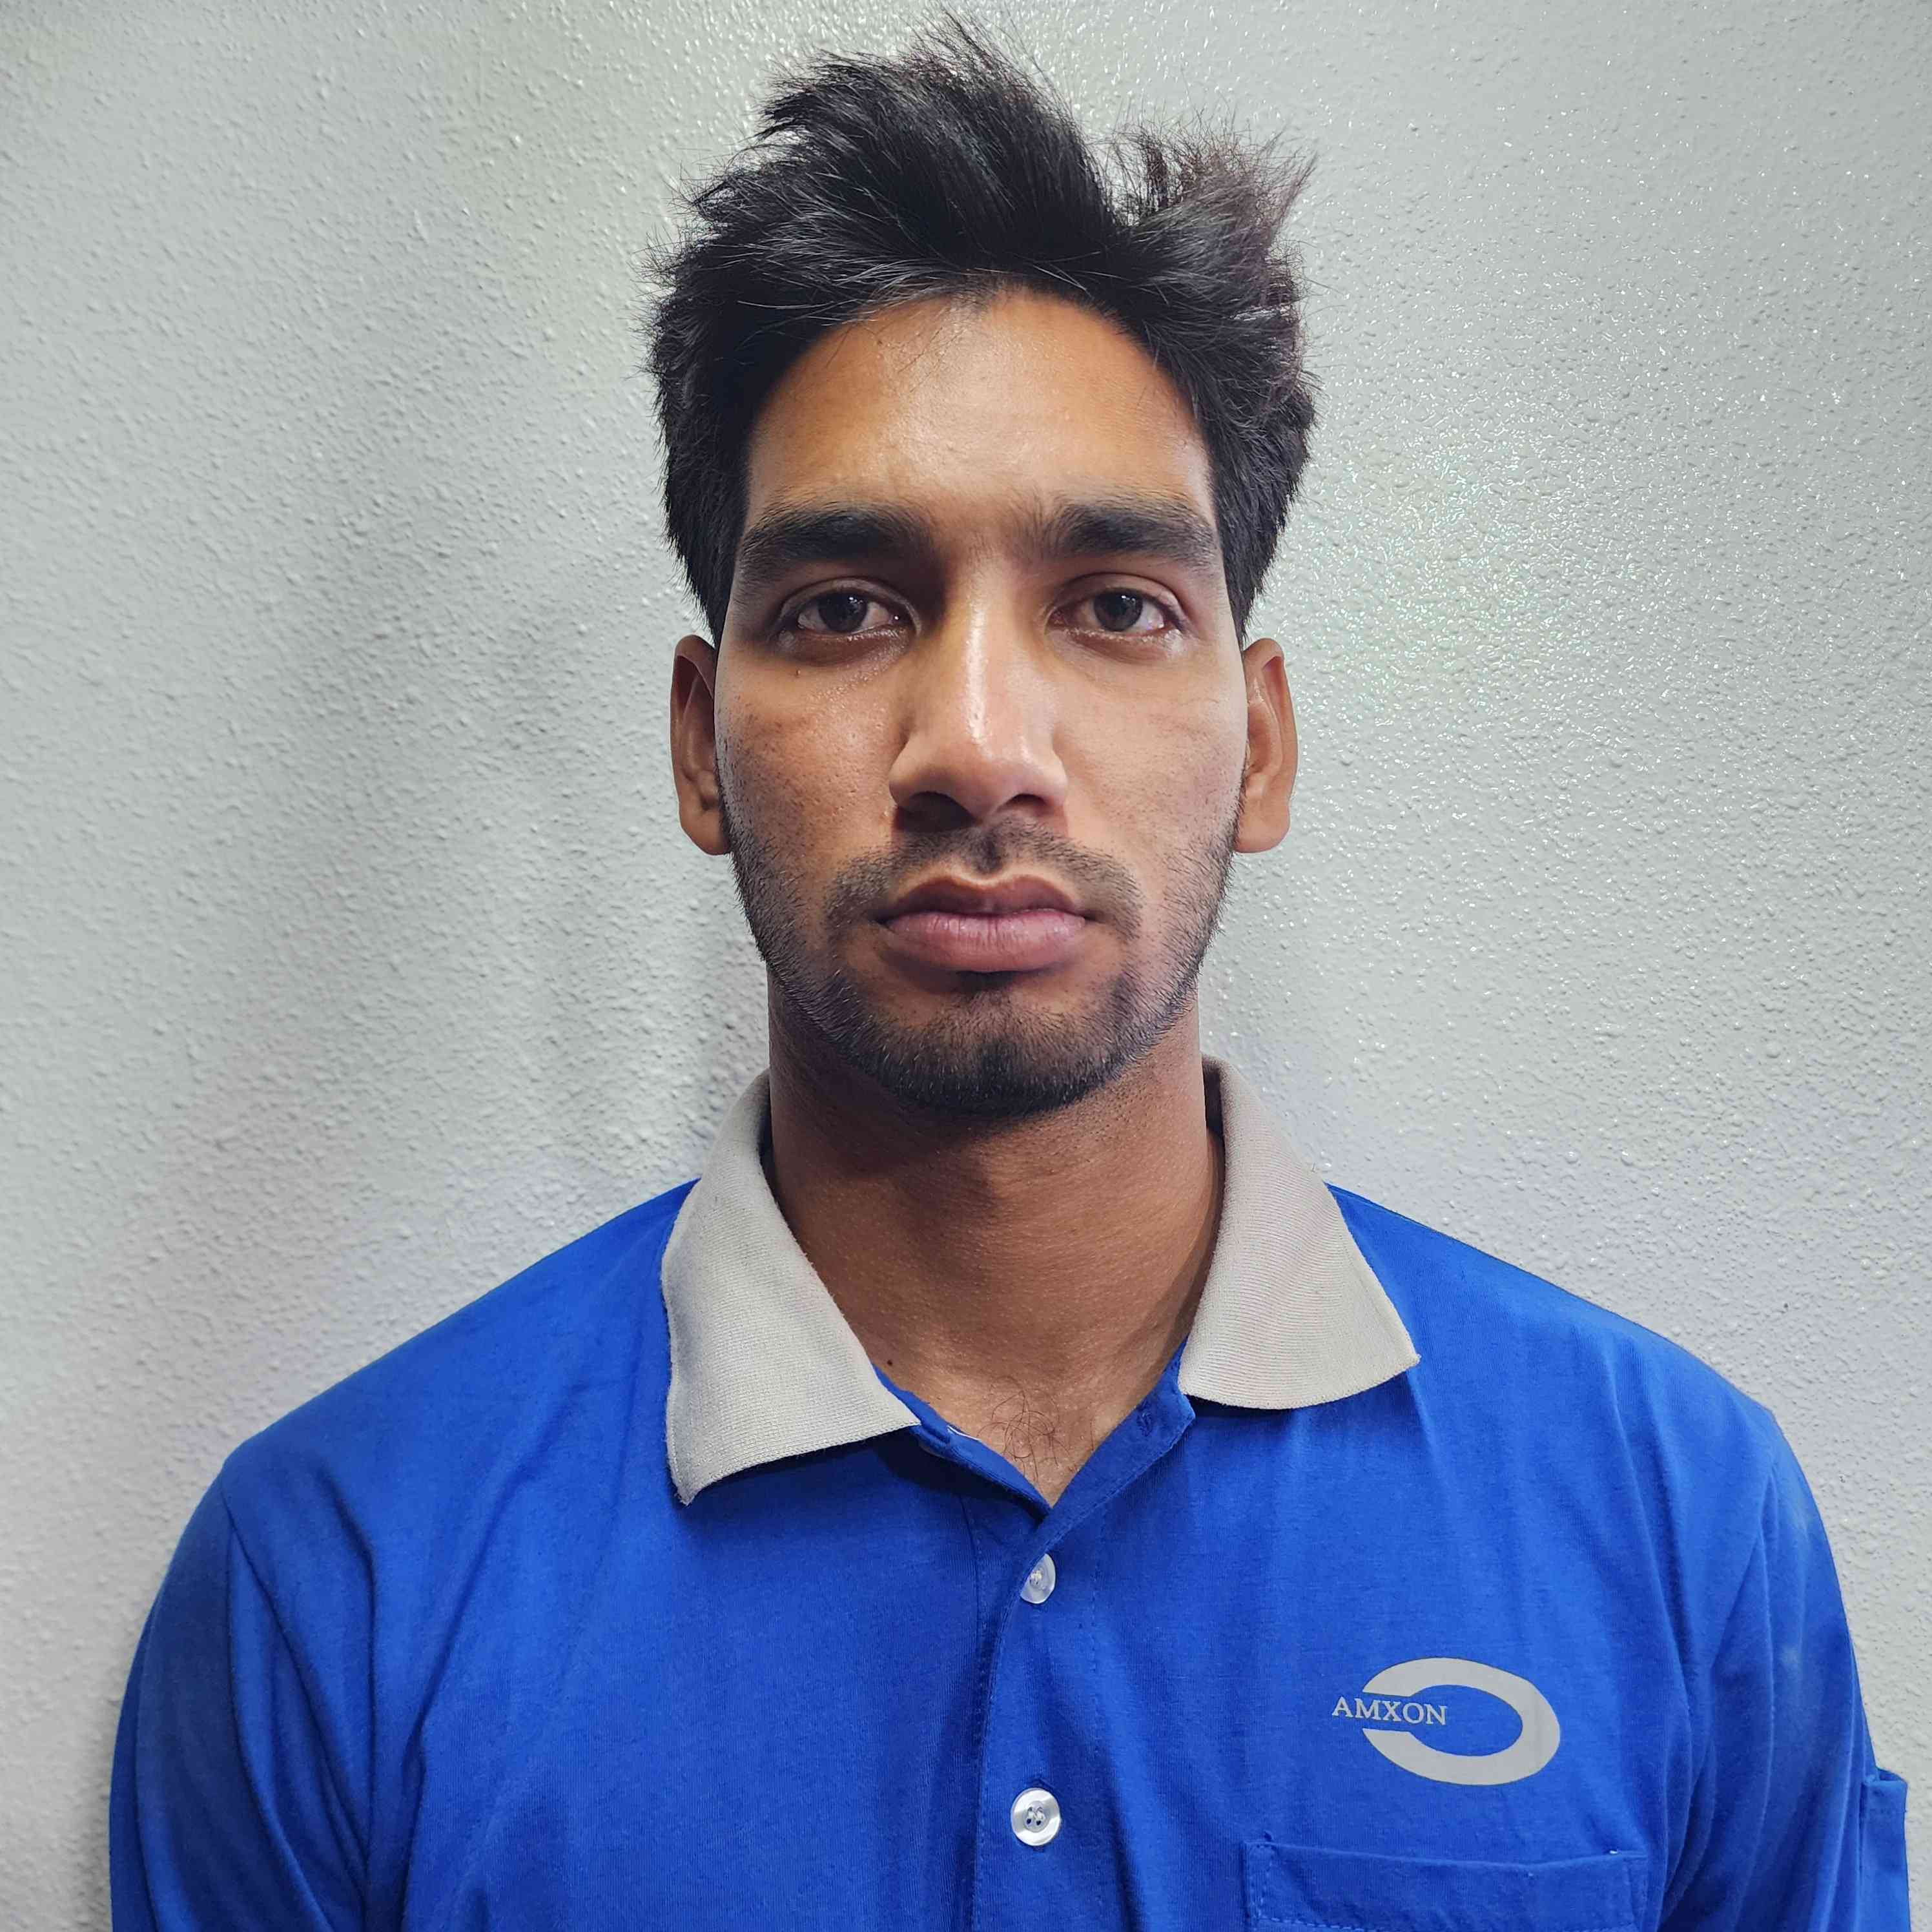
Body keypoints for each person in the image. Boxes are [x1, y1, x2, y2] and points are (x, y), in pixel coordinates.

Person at [108, 17, 1909, 1929]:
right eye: (845, 608)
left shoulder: (1673, 1520)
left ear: (1262, 745)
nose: (978, 744)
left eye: (1116, 606)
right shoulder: (339, 1577)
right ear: (700, 747)